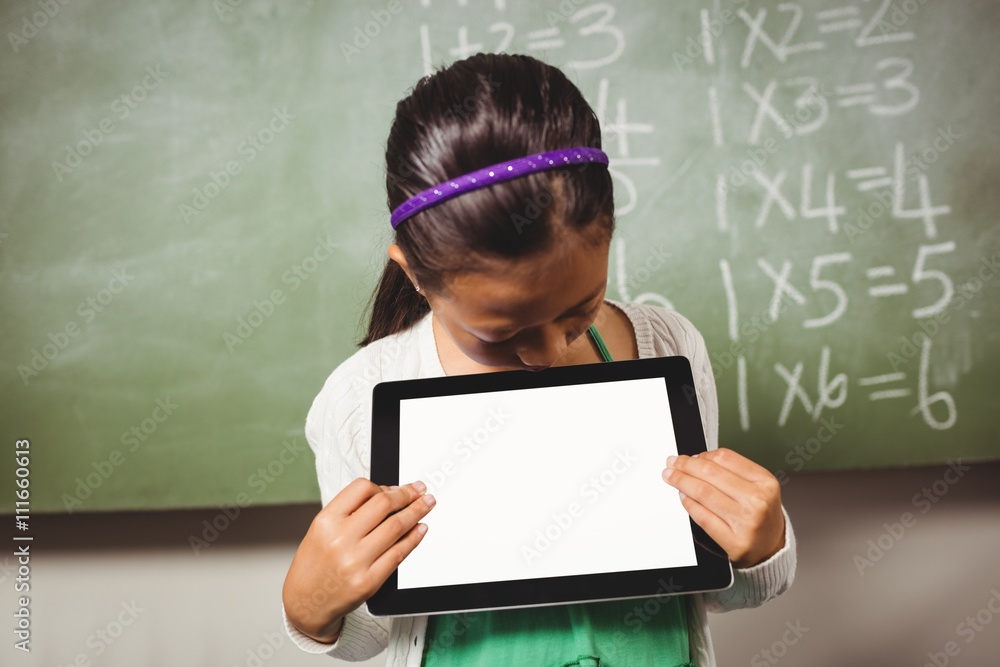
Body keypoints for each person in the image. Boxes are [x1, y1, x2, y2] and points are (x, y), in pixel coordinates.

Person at [282, 53, 796, 666]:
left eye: (580, 309)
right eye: (500, 334)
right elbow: (374, 632)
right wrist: (309, 609)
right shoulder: (362, 400)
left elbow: (705, 581)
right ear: (416, 275)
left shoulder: (668, 345)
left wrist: (763, 548)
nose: (550, 353)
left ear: (608, 232)